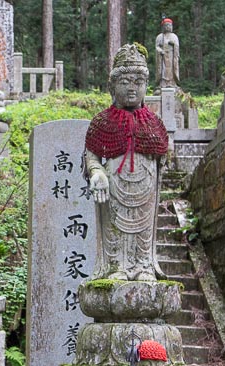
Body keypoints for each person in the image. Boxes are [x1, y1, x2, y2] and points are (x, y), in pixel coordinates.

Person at [84, 44, 169, 281]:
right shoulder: (102, 121)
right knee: (114, 228)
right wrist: (97, 172)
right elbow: (91, 155)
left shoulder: (154, 122)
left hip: (146, 185)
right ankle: (116, 267)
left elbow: (162, 155)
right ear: (112, 86)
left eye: (138, 82)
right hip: (113, 185)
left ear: (146, 86)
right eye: (125, 82)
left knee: (144, 229)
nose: (132, 88)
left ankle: (143, 266)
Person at [155, 18, 180, 89]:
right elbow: (157, 47)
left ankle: (172, 82)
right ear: (163, 26)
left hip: (172, 55)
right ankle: (163, 83)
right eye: (166, 25)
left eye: (169, 25)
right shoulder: (160, 36)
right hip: (163, 56)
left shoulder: (174, 36)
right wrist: (160, 51)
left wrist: (173, 44)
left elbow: (177, 46)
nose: (168, 27)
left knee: (172, 70)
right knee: (163, 70)